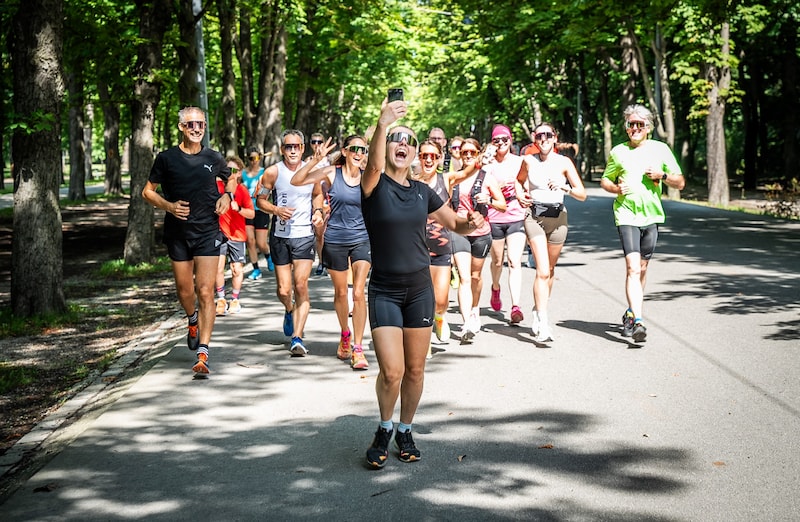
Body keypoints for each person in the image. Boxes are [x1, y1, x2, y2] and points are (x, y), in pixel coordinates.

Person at [361, 99, 484, 469]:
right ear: (387, 147)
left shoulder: (423, 191)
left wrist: (471, 221)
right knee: (392, 371)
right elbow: (372, 164)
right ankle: (383, 429)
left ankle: (405, 430)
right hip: (384, 289)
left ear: (415, 153)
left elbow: (455, 224)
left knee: (415, 370)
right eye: (396, 138)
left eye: (409, 141)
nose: (403, 143)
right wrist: (383, 124)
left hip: (419, 290)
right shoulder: (374, 185)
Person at [142, 106, 235, 377]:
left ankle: (203, 352)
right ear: (182, 127)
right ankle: (192, 319)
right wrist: (169, 207)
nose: (197, 129)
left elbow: (229, 180)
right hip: (178, 233)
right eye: (191, 124)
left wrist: (227, 196)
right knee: (186, 291)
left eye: (201, 125)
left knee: (206, 290)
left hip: (207, 231)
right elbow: (147, 192)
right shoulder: (167, 158)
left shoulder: (214, 157)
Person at [599, 104, 684, 342]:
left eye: (640, 124)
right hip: (626, 214)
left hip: (652, 216)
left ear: (648, 127)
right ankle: (638, 320)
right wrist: (616, 188)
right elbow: (605, 179)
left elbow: (680, 183)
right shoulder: (618, 152)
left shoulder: (661, 149)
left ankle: (629, 311)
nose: (635, 128)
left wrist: (662, 176)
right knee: (633, 268)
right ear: (626, 128)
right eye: (631, 124)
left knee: (642, 269)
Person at [291, 134, 371, 370]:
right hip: (335, 239)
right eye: (355, 149)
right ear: (345, 151)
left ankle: (358, 347)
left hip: (362, 239)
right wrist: (316, 160)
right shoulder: (331, 173)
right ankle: (345, 333)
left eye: (363, 150)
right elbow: (297, 180)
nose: (359, 153)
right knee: (340, 293)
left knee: (358, 292)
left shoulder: (369, 177)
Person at [256, 130, 325, 356]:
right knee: (284, 290)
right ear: (282, 149)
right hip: (280, 236)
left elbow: (317, 195)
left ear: (303, 148)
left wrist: (317, 211)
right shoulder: (273, 172)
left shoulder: (311, 171)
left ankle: (297, 337)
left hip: (304, 236)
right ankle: (288, 308)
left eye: (296, 146)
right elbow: (261, 201)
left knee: (301, 285)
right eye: (288, 147)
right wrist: (276, 210)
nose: (293, 150)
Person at [518, 123, 587, 342]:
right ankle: (543, 321)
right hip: (534, 218)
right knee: (542, 271)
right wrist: (521, 196)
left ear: (555, 138)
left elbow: (582, 194)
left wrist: (565, 188)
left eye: (549, 135)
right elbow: (519, 182)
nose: (544, 139)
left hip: (559, 219)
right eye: (540, 136)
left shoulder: (564, 163)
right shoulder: (528, 160)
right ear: (534, 139)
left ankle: (539, 308)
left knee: (550, 269)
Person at [449, 138, 507, 341]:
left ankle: (475, 308)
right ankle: (466, 323)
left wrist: (489, 201)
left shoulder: (487, 178)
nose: (467, 156)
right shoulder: (454, 178)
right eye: (464, 152)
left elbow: (502, 205)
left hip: (481, 233)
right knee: (464, 278)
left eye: (472, 153)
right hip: (459, 232)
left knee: (475, 276)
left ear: (478, 154)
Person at [484, 124, 529, 325]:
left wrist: (523, 194)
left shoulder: (519, 162)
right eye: (497, 140)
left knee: (514, 261)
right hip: (494, 217)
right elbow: (481, 189)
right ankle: (495, 287)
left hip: (516, 215)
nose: (501, 143)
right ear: (492, 143)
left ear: (510, 141)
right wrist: (498, 188)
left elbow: (526, 185)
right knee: (496, 261)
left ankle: (515, 306)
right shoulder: (488, 165)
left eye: (505, 139)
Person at [215, 156, 255, 316]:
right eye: (228, 169)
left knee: (236, 269)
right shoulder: (216, 186)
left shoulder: (242, 190)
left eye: (235, 170)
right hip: (218, 233)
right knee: (218, 268)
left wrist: (238, 208)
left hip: (237, 234)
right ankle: (221, 299)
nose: (231, 173)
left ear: (240, 173)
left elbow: (251, 214)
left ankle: (235, 299)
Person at [240, 148, 273, 280]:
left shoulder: (264, 172)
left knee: (261, 243)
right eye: (251, 159)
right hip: (247, 211)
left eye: (256, 158)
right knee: (250, 241)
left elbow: (268, 189)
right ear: (247, 160)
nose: (254, 161)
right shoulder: (242, 173)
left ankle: (268, 256)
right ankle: (256, 269)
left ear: (260, 158)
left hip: (261, 210)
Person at [308, 132, 331, 276]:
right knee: (319, 234)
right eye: (314, 141)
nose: (317, 144)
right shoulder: (307, 161)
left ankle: (330, 262)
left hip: (330, 199)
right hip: (315, 201)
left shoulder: (330, 160)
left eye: (319, 141)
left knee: (329, 233)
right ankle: (321, 262)